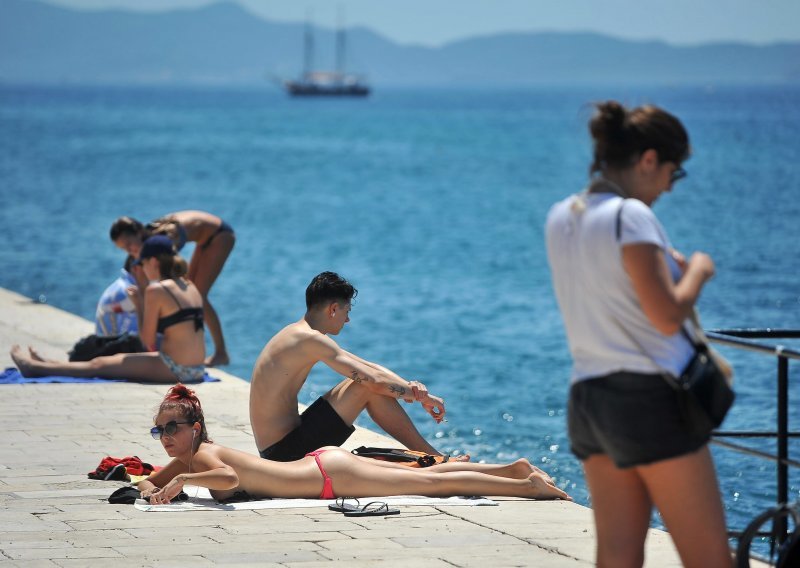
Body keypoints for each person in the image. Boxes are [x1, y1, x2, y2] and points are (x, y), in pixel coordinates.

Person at [545, 101, 730, 567]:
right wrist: (699, 272)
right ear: (648, 160)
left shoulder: (561, 217)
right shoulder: (631, 216)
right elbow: (666, 315)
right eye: (674, 171)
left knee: (618, 556)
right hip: (648, 399)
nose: (670, 185)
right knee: (709, 558)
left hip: (589, 399)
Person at [139, 385, 571, 504]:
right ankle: (512, 469)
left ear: (196, 428)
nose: (166, 438)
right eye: (160, 431)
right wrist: (152, 485)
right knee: (426, 475)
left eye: (172, 428)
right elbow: (147, 480)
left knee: (432, 485)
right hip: (325, 466)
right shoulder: (189, 460)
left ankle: (525, 487)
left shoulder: (204, 457)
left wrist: (178, 487)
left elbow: (228, 477)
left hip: (330, 475)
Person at [250, 271, 451, 463]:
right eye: (347, 312)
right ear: (333, 309)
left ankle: (433, 456)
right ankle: (435, 457)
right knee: (366, 386)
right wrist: (418, 396)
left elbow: (369, 367)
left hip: (279, 445)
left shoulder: (299, 334)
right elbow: (374, 381)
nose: (347, 319)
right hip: (284, 454)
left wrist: (413, 390)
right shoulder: (310, 339)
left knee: (362, 381)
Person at [11, 236, 205, 383]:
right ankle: (47, 364)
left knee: (100, 364)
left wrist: (138, 303)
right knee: (111, 362)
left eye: (142, 263)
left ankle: (34, 367)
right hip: (197, 368)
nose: (141, 269)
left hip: (176, 368)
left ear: (153, 261)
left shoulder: (156, 290)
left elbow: (147, 342)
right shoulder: (189, 285)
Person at [110, 210, 234, 367]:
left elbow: (169, 273)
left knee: (198, 295)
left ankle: (221, 353)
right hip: (204, 237)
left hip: (220, 235)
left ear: (139, 232)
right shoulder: (147, 237)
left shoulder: (166, 236)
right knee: (192, 290)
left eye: (129, 244)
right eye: (124, 249)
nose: (129, 250)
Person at [95, 256, 138, 336]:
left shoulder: (120, 286)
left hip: (105, 344)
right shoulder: (129, 293)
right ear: (135, 268)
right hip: (113, 346)